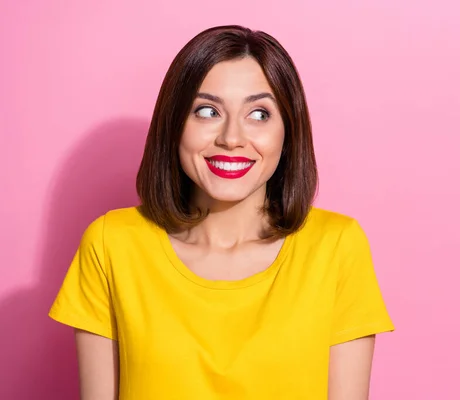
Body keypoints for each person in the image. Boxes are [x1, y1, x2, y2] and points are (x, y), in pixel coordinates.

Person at [49, 25, 394, 399]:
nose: (231, 138)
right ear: (174, 123)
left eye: (259, 114)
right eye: (208, 111)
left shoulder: (336, 247)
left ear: (288, 131)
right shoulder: (111, 244)